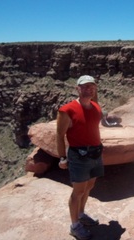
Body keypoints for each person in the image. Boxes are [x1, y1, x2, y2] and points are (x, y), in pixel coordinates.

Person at [57, 75, 104, 240]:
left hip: (96, 153)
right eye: (84, 87)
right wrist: (62, 157)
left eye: (91, 87)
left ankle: (82, 214)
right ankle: (74, 225)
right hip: (79, 156)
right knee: (78, 191)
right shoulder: (67, 110)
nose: (88, 89)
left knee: (89, 186)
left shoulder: (96, 107)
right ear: (77, 88)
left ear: (95, 89)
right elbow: (59, 134)